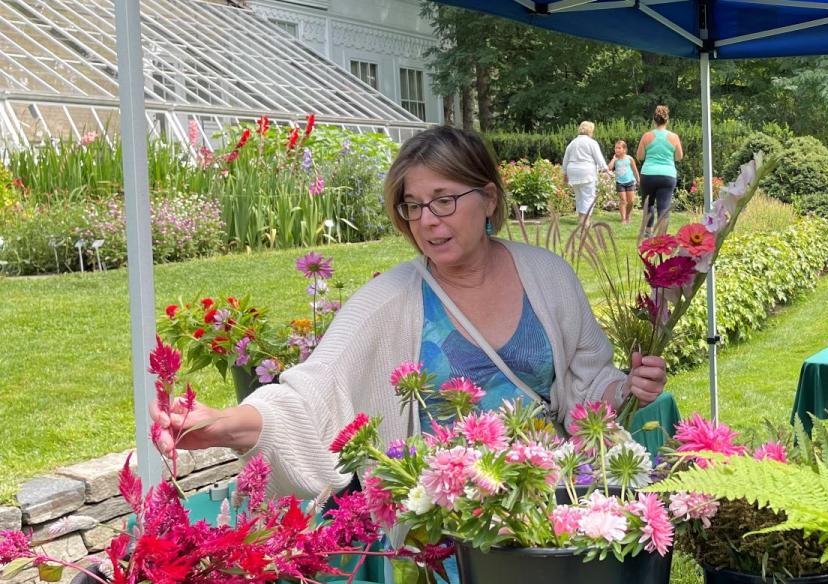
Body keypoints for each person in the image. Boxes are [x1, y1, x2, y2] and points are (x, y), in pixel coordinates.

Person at [151, 125, 668, 504]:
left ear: (488, 198)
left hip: (557, 505)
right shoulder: (388, 301)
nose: (427, 221)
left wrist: (629, 388)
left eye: (443, 201)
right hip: (447, 525)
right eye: (412, 205)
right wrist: (226, 425)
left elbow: (589, 380)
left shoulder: (548, 277)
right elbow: (314, 392)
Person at [636, 105, 683, 235]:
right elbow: (679, 157)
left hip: (649, 174)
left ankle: (648, 231)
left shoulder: (647, 136)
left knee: (648, 203)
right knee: (664, 206)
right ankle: (662, 234)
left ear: (654, 120)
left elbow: (640, 156)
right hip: (667, 175)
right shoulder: (674, 137)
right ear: (667, 120)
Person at [562, 121, 609, 226]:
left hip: (573, 171)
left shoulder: (572, 143)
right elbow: (599, 158)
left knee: (579, 196)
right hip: (586, 171)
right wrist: (606, 170)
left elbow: (565, 159)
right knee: (588, 196)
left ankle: (580, 219)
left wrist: (565, 174)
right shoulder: (592, 142)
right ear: (590, 130)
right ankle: (585, 221)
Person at [608, 139, 639, 225]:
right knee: (623, 201)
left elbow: (635, 170)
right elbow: (609, 168)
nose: (616, 150)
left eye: (619, 148)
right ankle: (623, 219)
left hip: (630, 181)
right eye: (615, 148)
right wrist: (613, 159)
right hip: (620, 183)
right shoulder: (615, 159)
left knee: (631, 201)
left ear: (624, 149)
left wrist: (638, 179)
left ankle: (628, 216)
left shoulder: (629, 158)